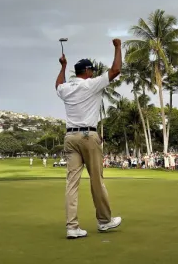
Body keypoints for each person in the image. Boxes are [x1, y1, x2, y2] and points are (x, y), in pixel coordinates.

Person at [55, 38, 124, 239]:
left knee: (72, 183)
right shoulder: (91, 85)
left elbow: (58, 84)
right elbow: (116, 70)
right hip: (88, 136)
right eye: (91, 71)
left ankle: (72, 227)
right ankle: (104, 221)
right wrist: (118, 47)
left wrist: (62, 67)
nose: (93, 73)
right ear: (86, 72)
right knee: (96, 180)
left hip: (70, 137)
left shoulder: (66, 89)